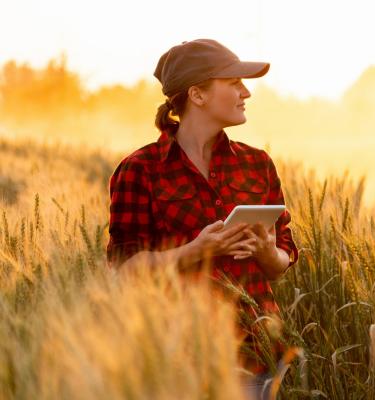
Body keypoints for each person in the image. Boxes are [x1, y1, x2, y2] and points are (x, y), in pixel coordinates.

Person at [106, 39, 299, 399]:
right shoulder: (140, 170)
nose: (247, 93)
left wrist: (267, 251)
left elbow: (281, 260)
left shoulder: (257, 164)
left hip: (254, 353)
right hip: (178, 357)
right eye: (234, 83)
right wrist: (197, 250)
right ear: (197, 95)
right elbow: (123, 270)